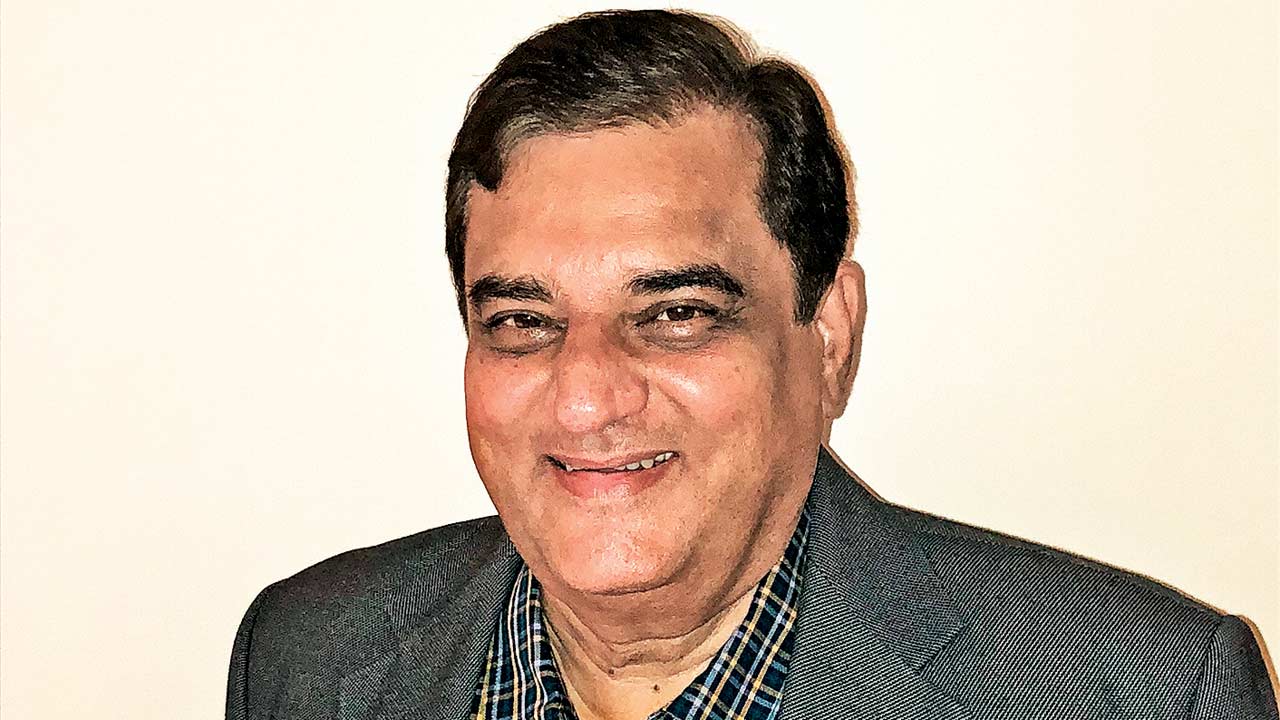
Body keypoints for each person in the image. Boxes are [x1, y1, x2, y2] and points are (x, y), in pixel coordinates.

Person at [226, 9, 1276, 719]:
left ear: (829, 337)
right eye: (522, 322)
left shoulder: (1139, 694)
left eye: (676, 314)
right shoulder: (307, 658)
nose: (585, 398)